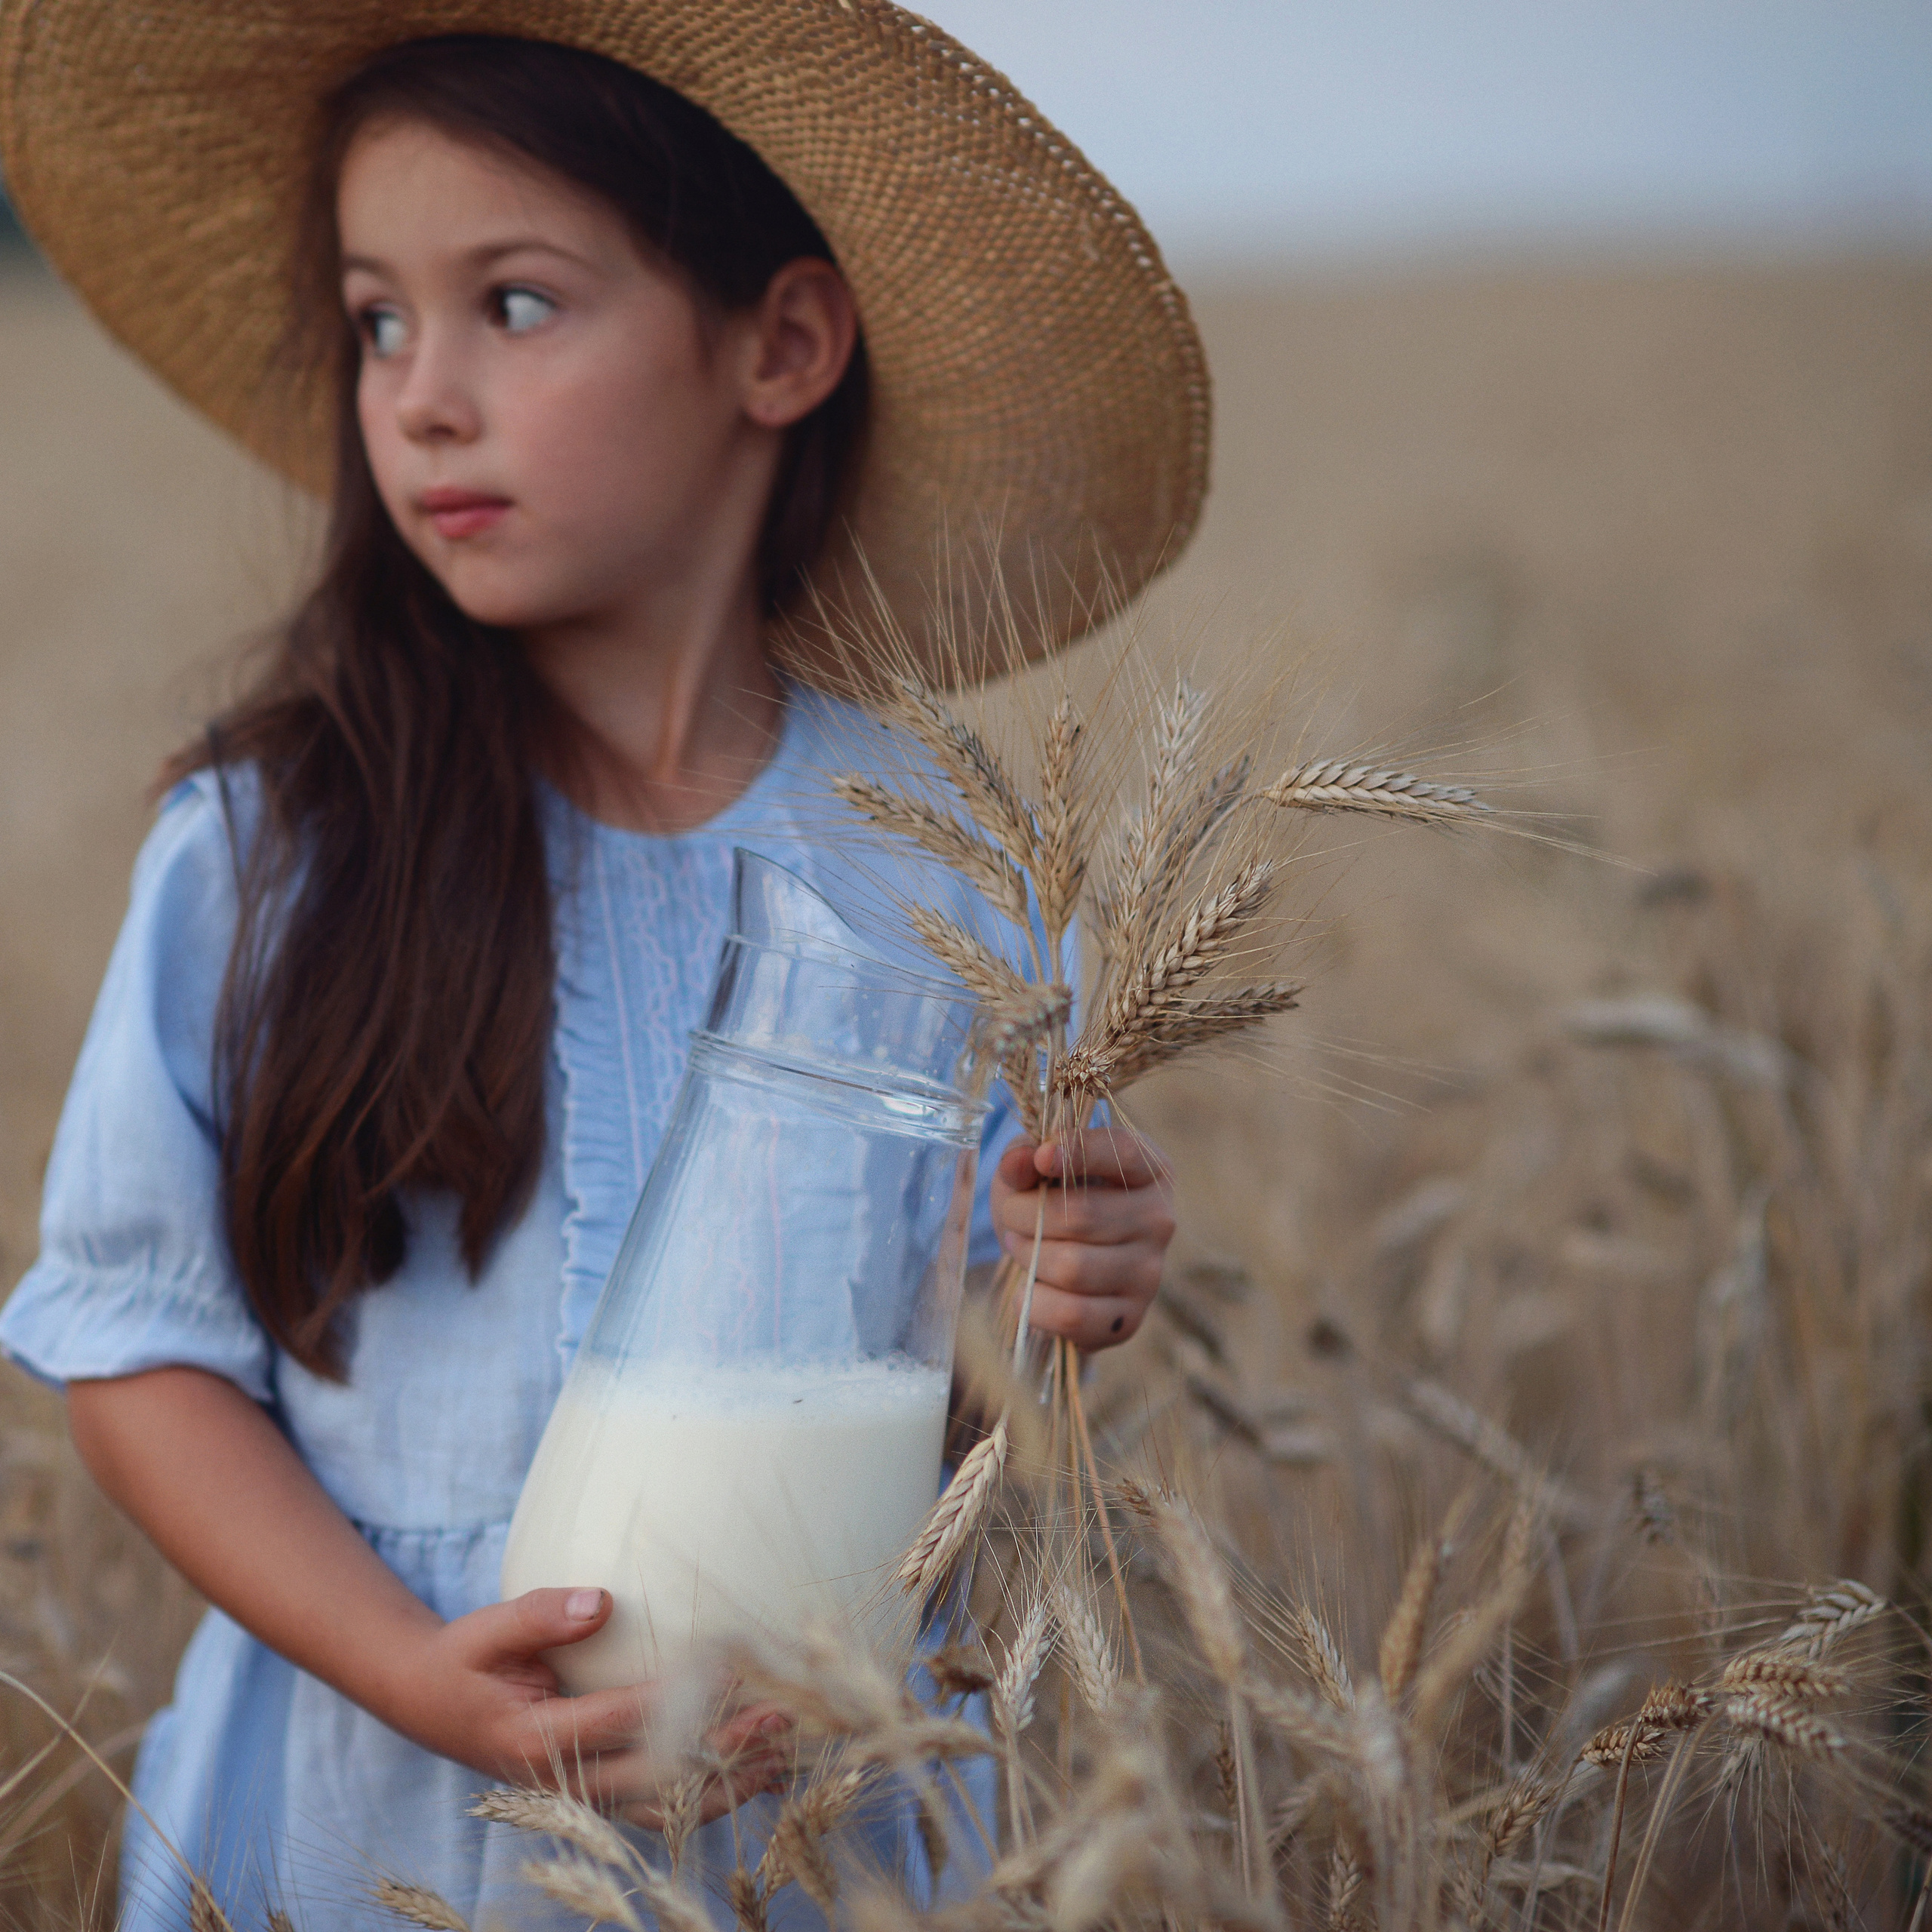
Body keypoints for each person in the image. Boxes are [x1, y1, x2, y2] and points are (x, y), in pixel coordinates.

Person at [0, 8, 1208, 1927]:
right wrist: (415, 1669)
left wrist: (1061, 1291)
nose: (421, 397)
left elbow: (945, 1407)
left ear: (779, 345)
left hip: (795, 1815)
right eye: (377, 320)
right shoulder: (274, 845)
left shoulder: (953, 875)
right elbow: (139, 1352)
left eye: (515, 304)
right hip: (364, 1818)